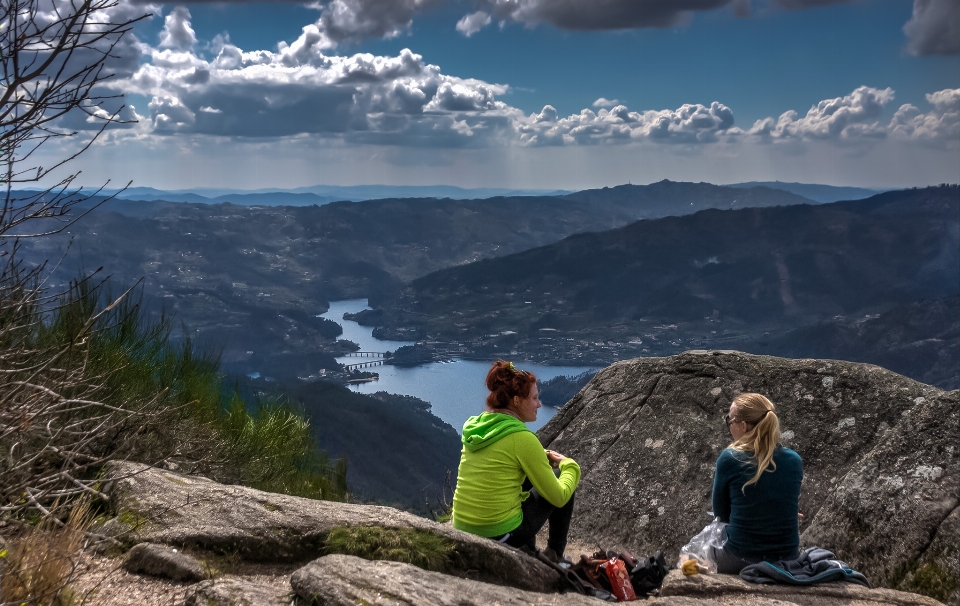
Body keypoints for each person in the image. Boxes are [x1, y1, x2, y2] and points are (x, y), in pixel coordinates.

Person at [452, 360, 581, 560]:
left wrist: (538, 456)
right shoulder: (522, 439)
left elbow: (503, 458)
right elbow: (558, 497)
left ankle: (528, 549)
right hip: (498, 535)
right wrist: (570, 465)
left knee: (523, 477)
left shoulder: (477, 426)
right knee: (561, 478)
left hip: (461, 527)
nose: (539, 404)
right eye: (535, 398)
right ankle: (555, 554)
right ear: (517, 401)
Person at [709, 393, 803, 574]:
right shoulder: (794, 460)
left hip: (741, 557)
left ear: (743, 425)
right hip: (788, 557)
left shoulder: (730, 458)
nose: (729, 425)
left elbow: (721, 514)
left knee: (692, 558)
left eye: (730, 420)